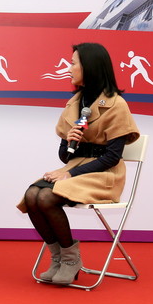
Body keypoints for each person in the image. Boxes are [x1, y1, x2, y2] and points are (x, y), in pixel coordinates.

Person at [20, 43, 139, 285]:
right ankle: (58, 258)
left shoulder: (116, 104)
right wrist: (69, 141)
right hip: (74, 167)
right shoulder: (75, 102)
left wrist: (71, 174)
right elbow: (65, 156)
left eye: (74, 63)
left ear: (90, 67)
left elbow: (112, 157)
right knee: (32, 195)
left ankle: (72, 260)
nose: (70, 67)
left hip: (105, 173)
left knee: (46, 197)